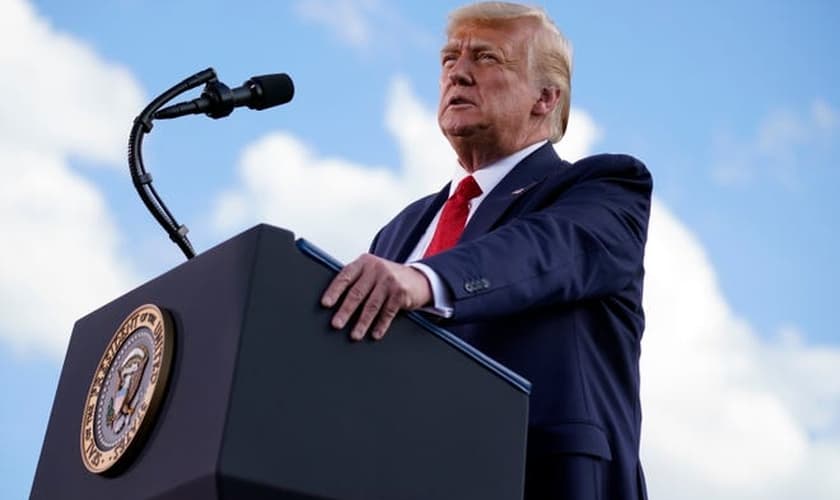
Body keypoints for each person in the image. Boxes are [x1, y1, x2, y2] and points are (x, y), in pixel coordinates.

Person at [320, 2, 651, 498]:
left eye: (487, 58)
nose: (459, 72)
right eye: (449, 58)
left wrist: (425, 281)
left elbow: (545, 250)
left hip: (538, 477)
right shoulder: (399, 232)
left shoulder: (603, 189)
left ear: (545, 97)